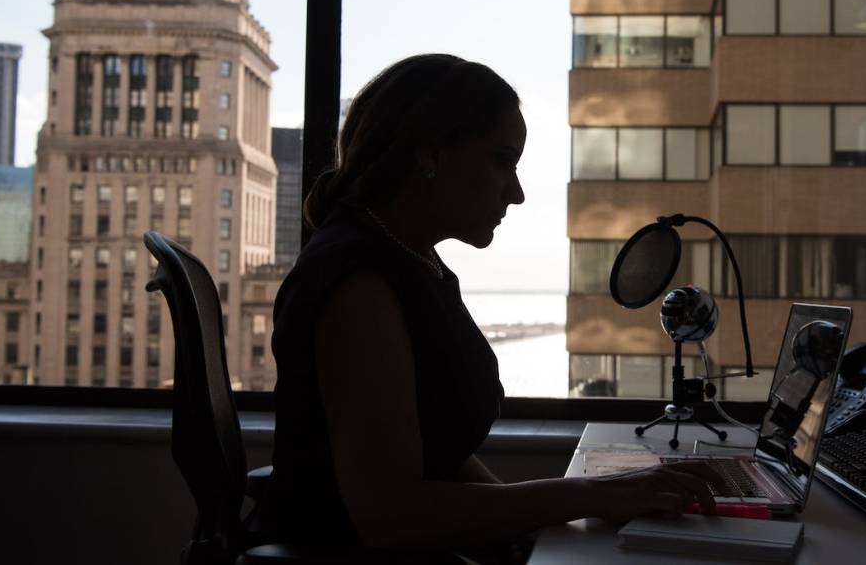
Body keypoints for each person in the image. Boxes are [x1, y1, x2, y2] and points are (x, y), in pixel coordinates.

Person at [266, 54, 724, 561]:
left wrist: (534, 531)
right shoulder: (358, 286)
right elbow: (390, 514)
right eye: (502, 159)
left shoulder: (412, 264)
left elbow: (443, 457)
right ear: (430, 154)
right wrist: (592, 496)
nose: (518, 192)